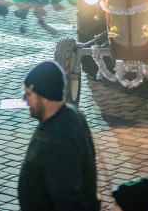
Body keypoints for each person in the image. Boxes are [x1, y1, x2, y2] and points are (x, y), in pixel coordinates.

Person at [17, 61, 100, 211]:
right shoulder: (72, 114)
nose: (24, 99)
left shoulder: (58, 141)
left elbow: (68, 200)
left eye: (28, 93)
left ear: (45, 96)